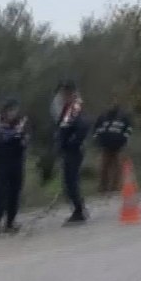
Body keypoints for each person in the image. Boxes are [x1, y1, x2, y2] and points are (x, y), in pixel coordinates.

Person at [0, 97, 29, 234]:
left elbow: (25, 142)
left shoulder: (21, 125)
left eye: (14, 110)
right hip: (1, 164)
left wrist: (21, 137)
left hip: (16, 163)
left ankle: (10, 222)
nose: (12, 113)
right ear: (3, 112)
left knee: (14, 194)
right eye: (9, 110)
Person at [56, 81, 89, 224]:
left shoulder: (75, 107)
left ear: (70, 93)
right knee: (69, 181)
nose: (62, 97)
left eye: (64, 93)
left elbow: (82, 127)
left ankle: (78, 210)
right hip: (67, 149)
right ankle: (79, 208)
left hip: (73, 151)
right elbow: (63, 126)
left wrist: (72, 142)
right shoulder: (67, 108)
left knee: (71, 181)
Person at [92, 101, 133, 193]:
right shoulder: (102, 117)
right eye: (110, 104)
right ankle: (103, 187)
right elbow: (95, 129)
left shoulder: (123, 117)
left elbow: (129, 128)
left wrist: (124, 138)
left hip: (118, 146)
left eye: (113, 104)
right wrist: (97, 140)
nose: (111, 106)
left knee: (117, 167)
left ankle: (115, 187)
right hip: (105, 146)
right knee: (103, 167)